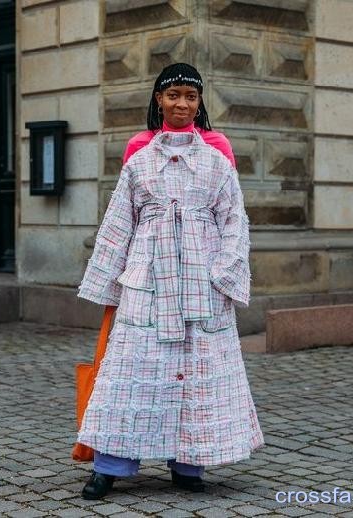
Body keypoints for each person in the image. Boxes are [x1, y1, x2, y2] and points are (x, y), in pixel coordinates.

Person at [76, 63, 265, 499]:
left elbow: (235, 220)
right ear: (158, 99)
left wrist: (223, 274)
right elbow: (118, 222)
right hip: (149, 279)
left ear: (199, 104)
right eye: (174, 95)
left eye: (191, 96)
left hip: (202, 278)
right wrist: (109, 282)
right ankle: (109, 465)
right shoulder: (139, 158)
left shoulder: (218, 158)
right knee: (131, 373)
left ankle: (189, 463)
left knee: (197, 372)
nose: (182, 103)